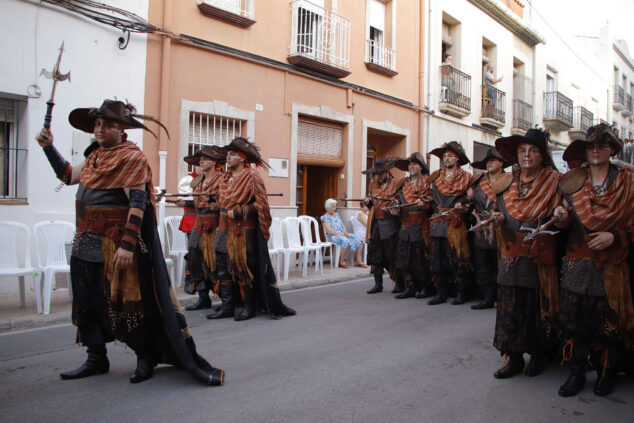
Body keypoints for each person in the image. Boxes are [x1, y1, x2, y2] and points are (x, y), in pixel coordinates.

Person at [35, 99, 223, 385]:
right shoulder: (94, 157)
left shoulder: (131, 158)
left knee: (128, 305)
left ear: (121, 128)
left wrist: (126, 244)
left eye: (107, 124)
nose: (100, 129)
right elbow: (67, 175)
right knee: (88, 302)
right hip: (85, 242)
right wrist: (49, 147)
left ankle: (144, 356)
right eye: (97, 124)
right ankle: (96, 358)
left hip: (115, 245)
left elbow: (137, 203)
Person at [555, 124, 634, 397]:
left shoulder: (628, 182)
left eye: (602, 145)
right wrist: (561, 218)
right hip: (576, 261)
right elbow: (561, 219)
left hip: (611, 264)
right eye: (591, 146)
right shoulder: (572, 181)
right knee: (573, 321)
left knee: (608, 323)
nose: (596, 150)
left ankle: (605, 372)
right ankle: (576, 373)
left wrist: (615, 236)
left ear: (612, 150)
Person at [490, 128, 561, 379]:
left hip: (539, 256)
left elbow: (564, 218)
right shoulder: (507, 182)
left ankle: (539, 355)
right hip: (510, 255)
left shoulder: (555, 181)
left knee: (538, 307)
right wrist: (497, 218)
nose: (527, 155)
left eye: (533, 150)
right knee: (510, 307)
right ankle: (514, 358)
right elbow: (496, 211)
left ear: (542, 155)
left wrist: (562, 217)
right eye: (522, 150)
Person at [207, 137, 296, 321]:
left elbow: (261, 205)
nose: (228, 157)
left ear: (242, 157)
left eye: (232, 154)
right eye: (228, 154)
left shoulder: (252, 176)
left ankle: (249, 306)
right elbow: (224, 203)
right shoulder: (225, 178)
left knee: (244, 267)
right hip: (225, 228)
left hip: (243, 230)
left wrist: (240, 212)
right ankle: (227, 306)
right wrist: (219, 209)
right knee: (224, 266)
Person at [427, 141, 473, 305]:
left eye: (450, 156)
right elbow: (429, 197)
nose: (446, 158)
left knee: (457, 257)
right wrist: (424, 201)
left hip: (455, 221)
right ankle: (441, 292)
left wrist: (464, 204)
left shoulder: (466, 177)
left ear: (458, 158)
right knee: (437, 258)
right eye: (445, 156)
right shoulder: (435, 176)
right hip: (438, 220)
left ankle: (461, 291)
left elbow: (471, 198)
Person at [185, 146, 226, 311]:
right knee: (194, 258)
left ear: (214, 161)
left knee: (214, 261)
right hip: (199, 224)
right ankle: (203, 297)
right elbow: (195, 202)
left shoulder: (222, 179)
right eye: (200, 159)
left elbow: (225, 202)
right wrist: (185, 202)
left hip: (214, 225)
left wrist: (215, 203)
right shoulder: (198, 180)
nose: (201, 162)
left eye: (204, 159)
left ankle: (225, 299)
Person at [468, 148, 510, 310]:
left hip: (502, 228)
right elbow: (470, 199)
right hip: (482, 228)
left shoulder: (509, 179)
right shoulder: (478, 181)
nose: (490, 164)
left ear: (501, 163)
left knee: (502, 264)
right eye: (488, 161)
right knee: (483, 265)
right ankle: (488, 296)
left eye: (493, 161)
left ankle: (503, 297)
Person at [392, 153, 433, 299]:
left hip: (421, 225)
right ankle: (409, 287)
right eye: (410, 164)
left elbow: (433, 200)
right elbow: (396, 201)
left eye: (415, 164)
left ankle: (424, 287)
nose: (411, 166)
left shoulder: (428, 182)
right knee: (405, 259)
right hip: (405, 225)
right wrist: (395, 208)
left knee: (420, 259)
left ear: (421, 166)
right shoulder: (402, 184)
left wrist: (426, 204)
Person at [363, 158, 404, 294]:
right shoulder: (373, 186)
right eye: (377, 174)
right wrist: (368, 202)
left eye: (381, 173)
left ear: (387, 172)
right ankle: (378, 284)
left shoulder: (396, 184)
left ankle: (398, 283)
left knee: (393, 255)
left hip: (391, 224)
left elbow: (400, 203)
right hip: (376, 224)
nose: (379, 176)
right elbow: (372, 205)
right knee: (375, 255)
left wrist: (395, 208)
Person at [175, 157, 201, 295]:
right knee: (193, 251)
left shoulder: (214, 179)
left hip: (209, 219)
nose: (200, 166)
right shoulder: (187, 179)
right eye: (198, 163)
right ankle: (190, 280)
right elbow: (189, 200)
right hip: (192, 220)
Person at [321, 199, 366, 268]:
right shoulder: (325, 217)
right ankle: (341, 261)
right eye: (332, 207)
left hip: (342, 234)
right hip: (332, 236)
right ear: (327, 208)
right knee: (345, 240)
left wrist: (345, 232)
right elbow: (329, 231)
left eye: (335, 207)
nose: (334, 208)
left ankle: (358, 261)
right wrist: (342, 234)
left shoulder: (337, 215)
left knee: (359, 239)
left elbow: (343, 225)